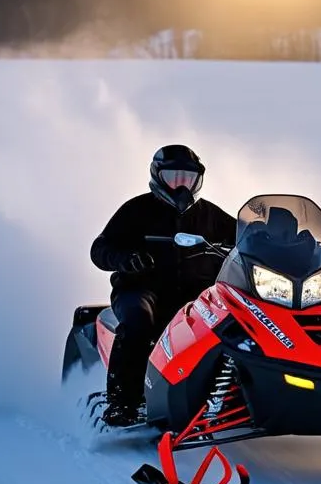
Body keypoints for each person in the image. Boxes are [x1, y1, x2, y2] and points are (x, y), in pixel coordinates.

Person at [90, 144, 237, 425]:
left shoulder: (211, 215)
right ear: (158, 176)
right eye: (173, 177)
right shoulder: (136, 210)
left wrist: (282, 238)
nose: (181, 186)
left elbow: (247, 238)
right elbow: (100, 249)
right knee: (138, 321)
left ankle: (232, 395)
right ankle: (122, 402)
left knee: (236, 323)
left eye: (187, 178)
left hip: (195, 295)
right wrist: (125, 258)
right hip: (141, 289)